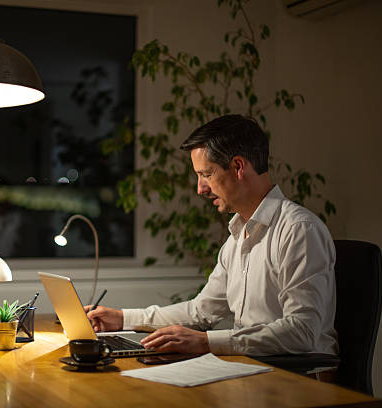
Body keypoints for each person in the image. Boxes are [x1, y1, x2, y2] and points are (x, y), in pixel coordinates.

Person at [86, 114, 338, 356]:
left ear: (238, 166)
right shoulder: (237, 238)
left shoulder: (298, 230)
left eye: (206, 175)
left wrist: (206, 342)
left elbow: (302, 332)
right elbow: (201, 311)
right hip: (250, 369)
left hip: (297, 379)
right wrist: (123, 318)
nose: (200, 189)